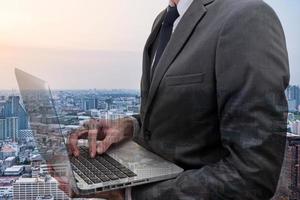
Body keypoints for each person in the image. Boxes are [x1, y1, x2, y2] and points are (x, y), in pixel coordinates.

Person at [67, 0, 290, 199]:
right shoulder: (163, 21)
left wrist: (131, 195)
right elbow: (181, 117)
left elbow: (252, 176)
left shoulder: (246, 16)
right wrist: (129, 127)